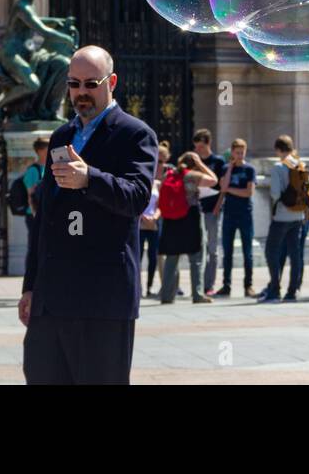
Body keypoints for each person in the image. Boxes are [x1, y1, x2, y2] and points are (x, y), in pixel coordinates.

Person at [18, 46, 158, 384]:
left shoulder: (135, 134)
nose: (81, 92)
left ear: (111, 81)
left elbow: (137, 197)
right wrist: (30, 286)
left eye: (90, 83)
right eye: (73, 83)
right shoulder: (62, 135)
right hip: (52, 300)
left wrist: (89, 179)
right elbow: (45, 218)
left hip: (102, 300)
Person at [157, 152, 219, 304]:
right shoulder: (192, 175)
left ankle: (166, 295)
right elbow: (214, 180)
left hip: (171, 220)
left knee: (172, 257)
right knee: (196, 257)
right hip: (190, 217)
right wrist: (201, 164)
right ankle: (197, 294)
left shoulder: (168, 175)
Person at [261, 135, 309, 302]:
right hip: (298, 215)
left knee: (271, 250)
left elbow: (275, 194)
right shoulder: (301, 165)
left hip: (282, 216)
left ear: (278, 149)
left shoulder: (278, 167)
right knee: (295, 253)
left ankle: (275, 288)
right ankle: (292, 290)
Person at [214, 138, 257, 298]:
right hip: (229, 214)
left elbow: (249, 192)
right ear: (232, 152)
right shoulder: (226, 168)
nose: (239, 155)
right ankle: (226, 284)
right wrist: (230, 168)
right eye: (237, 152)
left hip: (245, 214)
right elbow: (222, 187)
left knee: (248, 252)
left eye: (242, 152)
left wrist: (230, 189)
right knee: (227, 251)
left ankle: (248, 285)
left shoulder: (249, 170)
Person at [191, 129, 226, 297]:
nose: (198, 151)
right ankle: (197, 284)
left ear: (208, 144)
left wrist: (218, 206)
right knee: (198, 248)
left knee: (212, 248)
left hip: (212, 209)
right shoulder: (193, 162)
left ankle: (209, 284)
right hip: (196, 209)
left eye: (201, 147)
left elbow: (220, 186)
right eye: (196, 148)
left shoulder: (217, 162)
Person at [140, 141, 169, 297]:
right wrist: (143, 217)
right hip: (141, 223)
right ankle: (137, 287)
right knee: (138, 257)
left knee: (153, 257)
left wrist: (155, 217)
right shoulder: (141, 180)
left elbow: (161, 204)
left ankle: (149, 287)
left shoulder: (157, 184)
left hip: (154, 223)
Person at [22, 139, 48, 241]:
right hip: (35, 215)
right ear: (40, 151)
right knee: (34, 247)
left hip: (44, 213)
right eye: (48, 149)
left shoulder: (48, 168)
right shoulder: (33, 170)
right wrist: (36, 216)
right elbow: (30, 195)